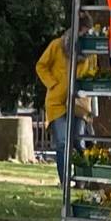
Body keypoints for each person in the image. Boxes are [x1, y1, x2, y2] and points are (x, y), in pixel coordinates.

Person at [35, 35, 97, 185]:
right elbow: (41, 66)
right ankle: (65, 182)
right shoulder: (57, 45)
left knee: (78, 141)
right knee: (62, 143)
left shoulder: (91, 51)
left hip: (79, 103)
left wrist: (84, 87)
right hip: (57, 102)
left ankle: (84, 178)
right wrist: (53, 84)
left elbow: (94, 72)